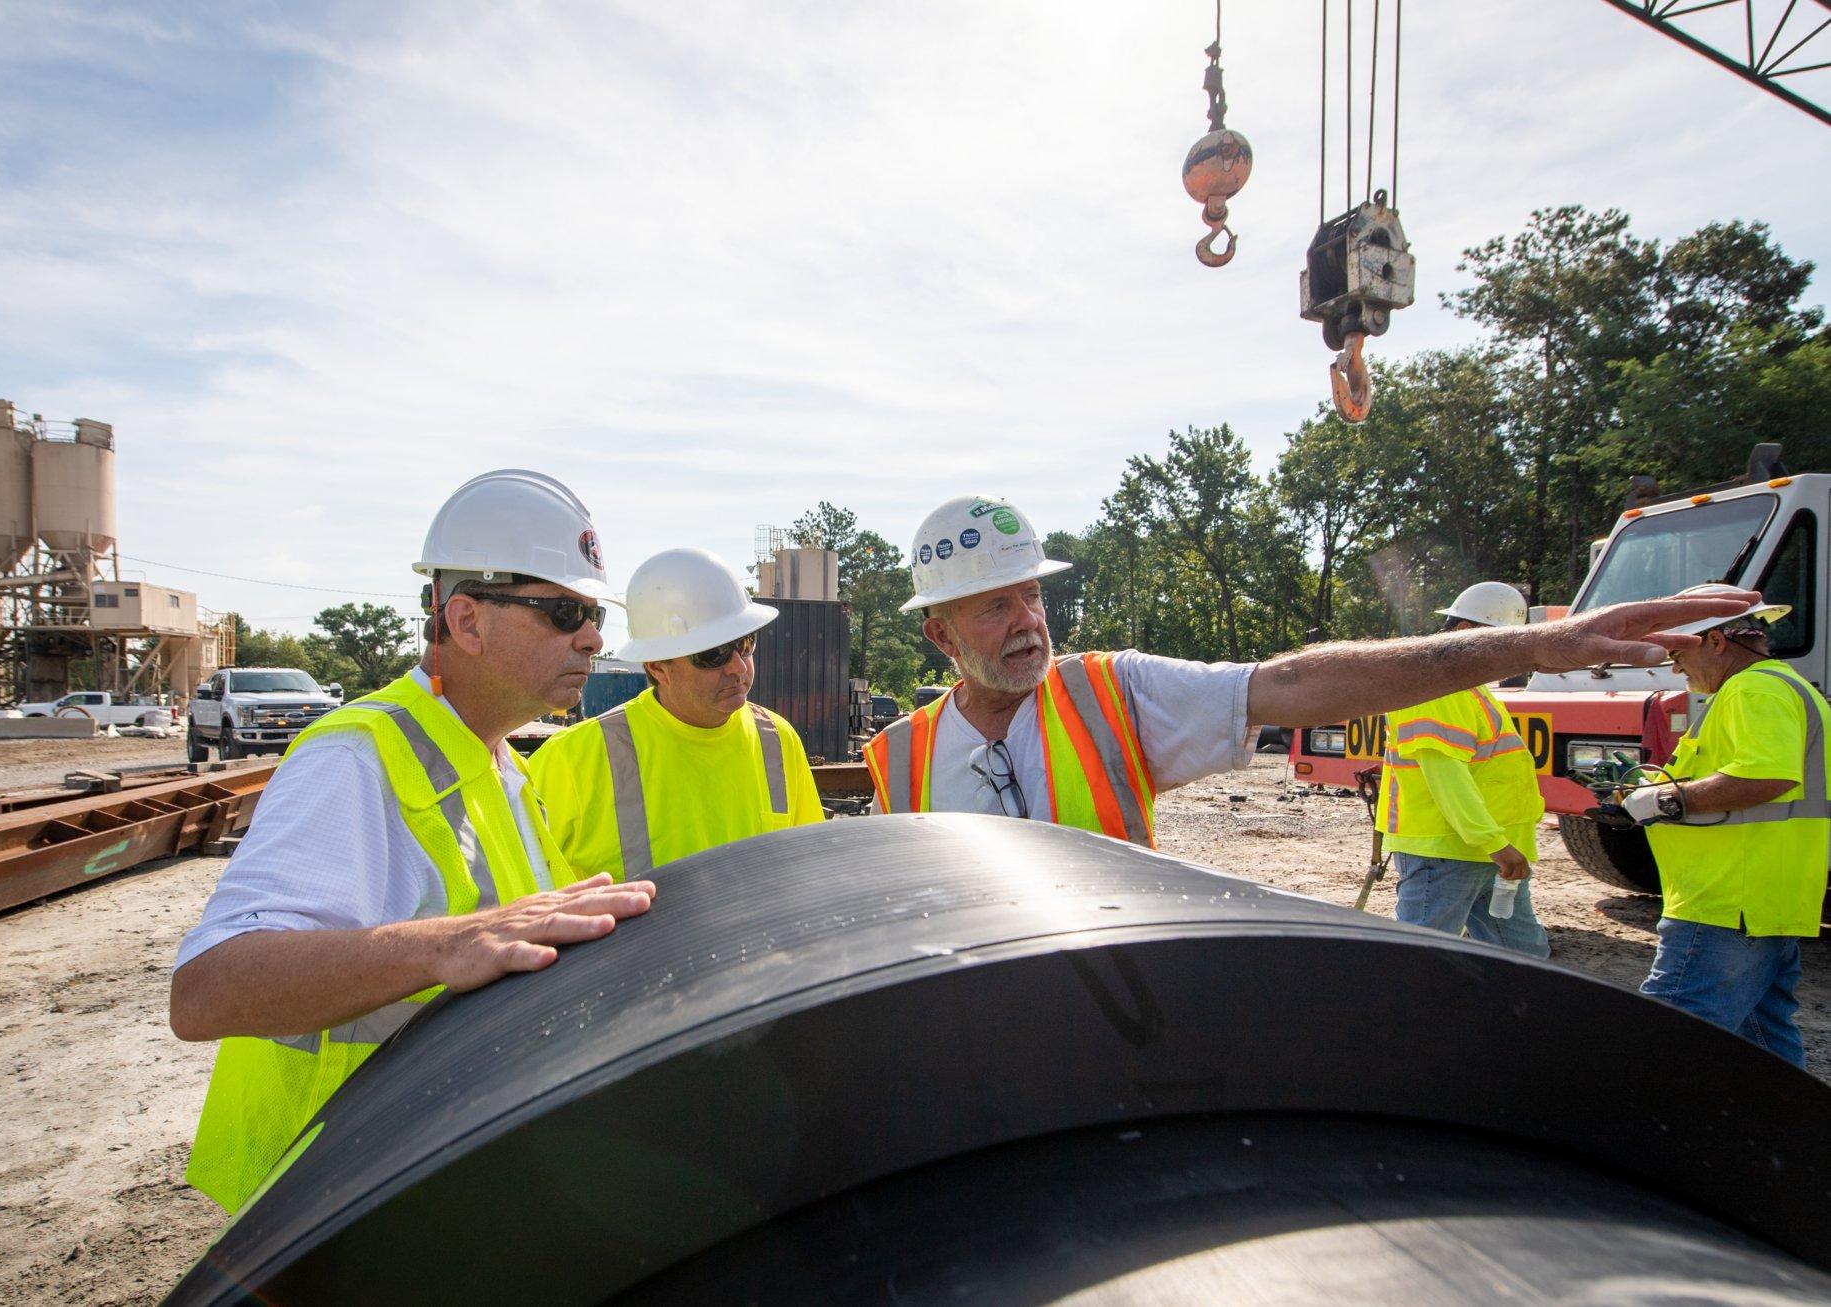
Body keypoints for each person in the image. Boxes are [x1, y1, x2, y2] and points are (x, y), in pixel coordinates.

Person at [170, 470, 657, 1211]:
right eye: (563, 611)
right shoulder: (354, 759)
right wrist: (446, 944)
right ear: (466, 621)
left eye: (592, 613)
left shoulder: (500, 766)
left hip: (417, 1193)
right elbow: (206, 990)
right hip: (324, 1211)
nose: (593, 636)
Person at [865, 492, 1758, 849]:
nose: (1029, 621)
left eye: (1033, 596)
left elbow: (1295, 682)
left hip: (1112, 1013)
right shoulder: (897, 761)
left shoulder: (1112, 691)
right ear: (942, 636)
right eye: (996, 606)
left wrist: (1523, 647)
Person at [1619, 584, 1825, 1068]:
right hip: (1764, 899)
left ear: (1715, 640)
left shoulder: (1752, 689)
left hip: (1727, 901)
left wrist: (1667, 800)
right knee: (1764, 1043)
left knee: (1666, 1040)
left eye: (1678, 651)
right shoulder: (1784, 686)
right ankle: (1789, 1137)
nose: (1675, 667)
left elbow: (1766, 775)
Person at [529, 547, 824, 878]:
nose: (738, 667)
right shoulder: (571, 761)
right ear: (658, 667)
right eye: (714, 655)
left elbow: (810, 867)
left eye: (746, 644)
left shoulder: (777, 740)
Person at [1376, 582, 1549, 956]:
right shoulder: (1434, 688)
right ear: (1465, 634)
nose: (1511, 660)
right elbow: (1446, 775)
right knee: (1420, 963)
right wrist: (1494, 842)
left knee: (1526, 960)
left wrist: (1499, 844)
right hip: (1452, 852)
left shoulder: (1469, 687)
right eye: (1504, 646)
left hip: (1486, 851)